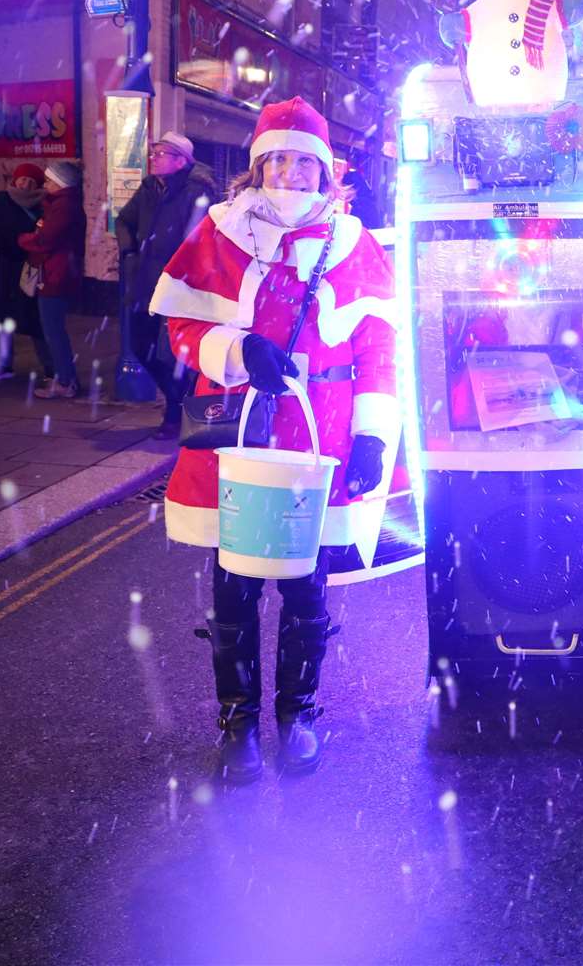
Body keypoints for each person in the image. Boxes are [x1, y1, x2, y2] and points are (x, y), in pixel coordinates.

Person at [150, 97, 399, 784]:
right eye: (278, 159)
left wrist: (373, 435)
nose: (289, 173)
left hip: (321, 432)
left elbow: (379, 347)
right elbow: (182, 328)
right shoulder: (221, 232)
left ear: (324, 171)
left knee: (307, 586)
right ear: (259, 164)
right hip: (242, 431)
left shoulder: (355, 243)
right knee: (233, 586)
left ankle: (299, 714)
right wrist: (237, 348)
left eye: (302, 161)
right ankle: (237, 722)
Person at [115, 131, 218, 438]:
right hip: (145, 283)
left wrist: (180, 269)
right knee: (139, 346)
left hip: (179, 285)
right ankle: (180, 401)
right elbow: (124, 221)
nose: (154, 159)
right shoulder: (149, 189)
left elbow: (200, 239)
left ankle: (176, 413)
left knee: (173, 354)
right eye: (154, 154)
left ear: (180, 161)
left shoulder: (197, 192)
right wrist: (130, 251)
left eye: (160, 154)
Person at [19, 160, 86, 399]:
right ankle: (66, 379)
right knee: (53, 329)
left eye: (49, 180)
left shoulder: (63, 207)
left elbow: (46, 239)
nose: (45, 184)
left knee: (53, 330)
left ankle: (66, 382)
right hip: (59, 271)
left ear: (60, 183)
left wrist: (23, 239)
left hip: (55, 274)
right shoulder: (61, 205)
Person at [0, 163, 46, 381]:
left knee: (34, 316)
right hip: (2, 265)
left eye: (31, 181)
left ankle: (51, 367)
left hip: (27, 266)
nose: (25, 184)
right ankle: (3, 363)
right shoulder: (0, 200)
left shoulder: (43, 203)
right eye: (22, 179)